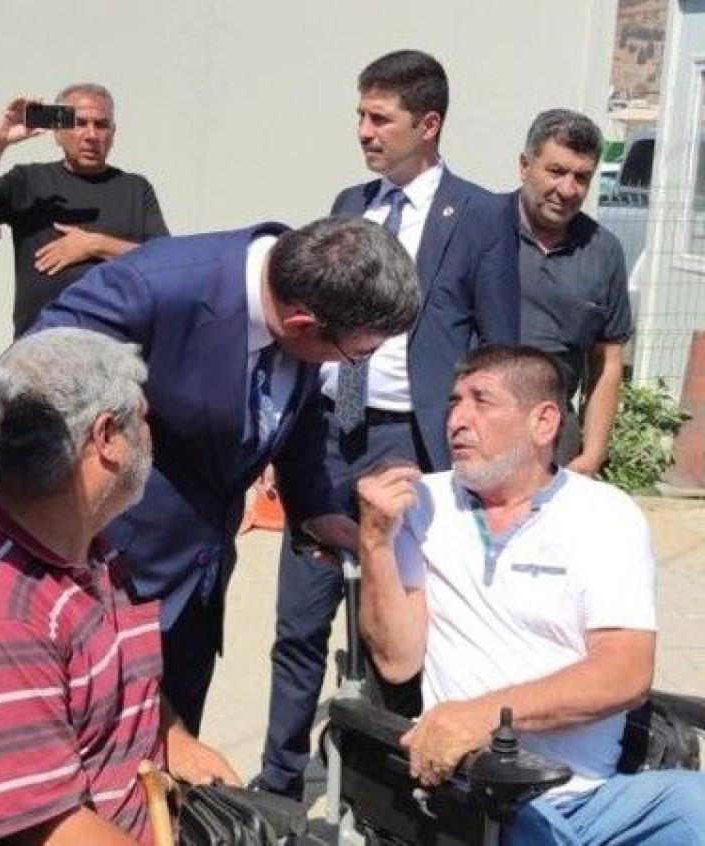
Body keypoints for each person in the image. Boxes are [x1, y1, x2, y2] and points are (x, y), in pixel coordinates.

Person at [0, 215, 421, 732]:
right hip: (103, 587)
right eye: (358, 355)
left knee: (176, 762)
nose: (354, 366)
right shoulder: (148, 290)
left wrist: (314, 509)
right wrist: (64, 542)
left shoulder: (301, 295)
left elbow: (292, 415)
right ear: (301, 324)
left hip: (197, 595)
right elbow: (0, 403)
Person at [0, 327, 239, 845]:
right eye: (143, 419)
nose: (152, 436)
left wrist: (171, 735)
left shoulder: (87, 547)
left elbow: (119, 686)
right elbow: (47, 831)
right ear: (106, 438)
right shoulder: (0, 610)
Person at [256, 48, 519, 798]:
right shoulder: (350, 203)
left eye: (380, 118)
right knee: (300, 621)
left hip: (411, 444)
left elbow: (498, 344)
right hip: (326, 440)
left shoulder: (481, 216)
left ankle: (384, 784)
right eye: (360, 115)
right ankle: (278, 780)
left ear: (428, 124)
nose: (364, 131)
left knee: (393, 623)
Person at [357, 344, 705, 845]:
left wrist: (483, 715)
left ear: (543, 423)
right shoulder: (422, 504)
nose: (456, 420)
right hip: (482, 792)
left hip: (599, 798)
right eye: (455, 402)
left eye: (481, 401)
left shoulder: (606, 515)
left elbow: (625, 672)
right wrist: (374, 542)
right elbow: (396, 662)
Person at [0, 83, 168, 336]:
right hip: (41, 346)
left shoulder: (136, 189)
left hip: (117, 347)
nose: (91, 135)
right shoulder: (28, 181)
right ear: (57, 133)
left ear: (113, 133)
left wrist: (95, 245)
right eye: (79, 123)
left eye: (101, 125)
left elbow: (165, 262)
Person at [514, 109, 631, 475]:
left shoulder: (603, 251)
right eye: (556, 171)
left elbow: (607, 360)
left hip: (553, 438)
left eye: (581, 177)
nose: (567, 190)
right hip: (474, 427)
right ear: (525, 166)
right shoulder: (481, 229)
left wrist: (592, 454)